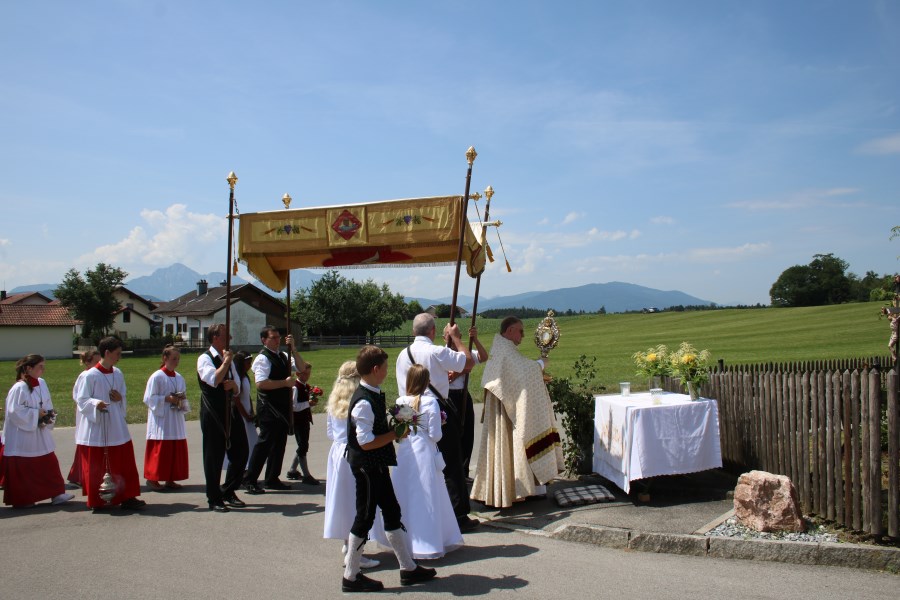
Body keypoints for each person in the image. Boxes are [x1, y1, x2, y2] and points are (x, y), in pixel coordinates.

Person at [342, 345, 436, 593]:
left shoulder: (372, 392)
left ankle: (408, 568)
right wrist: (395, 433)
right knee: (364, 517)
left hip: (377, 465)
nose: (387, 369)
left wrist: (402, 419)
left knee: (392, 511)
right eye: (385, 366)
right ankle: (350, 576)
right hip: (366, 466)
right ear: (376, 369)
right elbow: (365, 441)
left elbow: (380, 424)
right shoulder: (363, 401)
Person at [395, 312, 478, 531]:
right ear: (432, 331)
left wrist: (404, 421)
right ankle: (458, 515)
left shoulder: (403, 354)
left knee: (416, 459)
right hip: (435, 407)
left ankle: (416, 508)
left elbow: (401, 387)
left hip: (406, 408)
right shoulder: (436, 351)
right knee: (450, 461)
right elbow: (467, 362)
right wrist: (458, 338)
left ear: (414, 331)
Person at [470, 316, 564, 509]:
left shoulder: (504, 348)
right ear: (511, 330)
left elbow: (517, 371)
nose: (522, 335)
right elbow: (522, 371)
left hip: (504, 405)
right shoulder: (504, 349)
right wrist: (540, 364)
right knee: (508, 443)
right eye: (520, 331)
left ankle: (515, 488)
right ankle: (509, 490)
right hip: (504, 409)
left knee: (511, 446)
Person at [371, 364, 463, 559]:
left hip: (406, 452)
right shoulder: (431, 403)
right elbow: (435, 435)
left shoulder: (401, 401)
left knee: (405, 495)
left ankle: (404, 538)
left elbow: (404, 430)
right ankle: (429, 540)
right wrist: (441, 422)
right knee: (428, 495)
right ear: (426, 382)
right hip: (425, 452)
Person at [74, 337, 146, 511]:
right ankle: (99, 500)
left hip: (116, 425)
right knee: (98, 465)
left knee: (123, 462)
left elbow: (123, 395)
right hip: (98, 426)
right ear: (106, 353)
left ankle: (127, 496)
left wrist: (120, 398)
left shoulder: (118, 373)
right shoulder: (89, 375)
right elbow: (81, 399)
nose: (119, 357)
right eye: (117, 354)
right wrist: (95, 403)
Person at [322, 360, 379, 570]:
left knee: (344, 500)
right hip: (354, 453)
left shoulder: (334, 399)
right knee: (359, 502)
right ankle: (356, 553)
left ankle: (348, 543)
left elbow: (330, 432)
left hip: (337, 453)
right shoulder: (360, 401)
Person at [2, 355, 74, 508]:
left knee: (49, 462)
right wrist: (36, 415)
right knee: (25, 468)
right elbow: (15, 412)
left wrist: (47, 416)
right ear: (28, 368)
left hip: (39, 432)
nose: (43, 369)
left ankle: (57, 493)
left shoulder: (41, 383)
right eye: (40, 366)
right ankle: (24, 499)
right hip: (23, 436)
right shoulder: (19, 388)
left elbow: (47, 402)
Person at [244, 325, 302, 494]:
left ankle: (272, 477)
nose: (277, 341)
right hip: (269, 407)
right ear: (264, 340)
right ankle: (250, 479)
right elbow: (261, 383)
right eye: (273, 338)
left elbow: (301, 367)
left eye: (278, 337)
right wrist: (284, 383)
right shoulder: (263, 358)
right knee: (264, 444)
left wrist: (294, 349)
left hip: (283, 407)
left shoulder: (284, 355)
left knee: (279, 444)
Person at [197, 323, 248, 513]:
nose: (230, 339)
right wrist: (226, 363)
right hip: (213, 413)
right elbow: (214, 380)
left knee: (241, 452)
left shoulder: (229, 359)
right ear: (215, 338)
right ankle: (214, 497)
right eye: (227, 336)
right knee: (214, 456)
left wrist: (233, 385)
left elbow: (238, 388)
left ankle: (228, 490)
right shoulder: (205, 359)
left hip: (231, 410)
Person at [142, 345, 190, 490]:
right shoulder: (157, 376)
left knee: (174, 449)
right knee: (161, 449)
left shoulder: (179, 377)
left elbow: (183, 394)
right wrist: (166, 399)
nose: (176, 362)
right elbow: (148, 398)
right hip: (162, 419)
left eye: (178, 359)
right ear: (165, 358)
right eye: (174, 358)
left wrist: (182, 401)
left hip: (175, 418)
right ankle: (152, 478)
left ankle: (171, 478)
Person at [447, 326, 489, 481]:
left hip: (463, 395)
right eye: (448, 335)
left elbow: (484, 357)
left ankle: (464, 471)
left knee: (467, 433)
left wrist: (475, 339)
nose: (450, 339)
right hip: (448, 395)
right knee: (452, 434)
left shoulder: (464, 351)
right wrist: (463, 370)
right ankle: (451, 472)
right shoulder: (442, 352)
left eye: (453, 335)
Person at [67, 348, 100, 488]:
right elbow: (78, 396)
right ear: (88, 362)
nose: (99, 364)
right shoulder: (85, 375)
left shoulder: (99, 374)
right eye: (96, 361)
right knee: (84, 442)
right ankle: (78, 475)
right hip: (86, 412)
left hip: (96, 410)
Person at [286, 361, 319, 485]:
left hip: (304, 419)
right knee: (303, 445)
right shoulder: (296, 387)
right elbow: (293, 406)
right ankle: (306, 475)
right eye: (305, 373)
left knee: (303, 445)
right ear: (298, 373)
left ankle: (293, 470)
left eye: (308, 373)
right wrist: (307, 404)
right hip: (298, 420)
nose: (307, 376)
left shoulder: (305, 386)